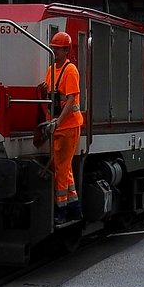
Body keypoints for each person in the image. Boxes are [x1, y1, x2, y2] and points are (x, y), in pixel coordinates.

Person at [40, 31, 84, 225]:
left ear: (67, 50)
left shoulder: (70, 70)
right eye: (53, 48)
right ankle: (74, 208)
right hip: (57, 126)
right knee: (64, 167)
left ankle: (61, 210)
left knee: (61, 168)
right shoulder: (51, 70)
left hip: (68, 126)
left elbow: (71, 99)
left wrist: (57, 122)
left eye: (58, 49)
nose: (55, 51)